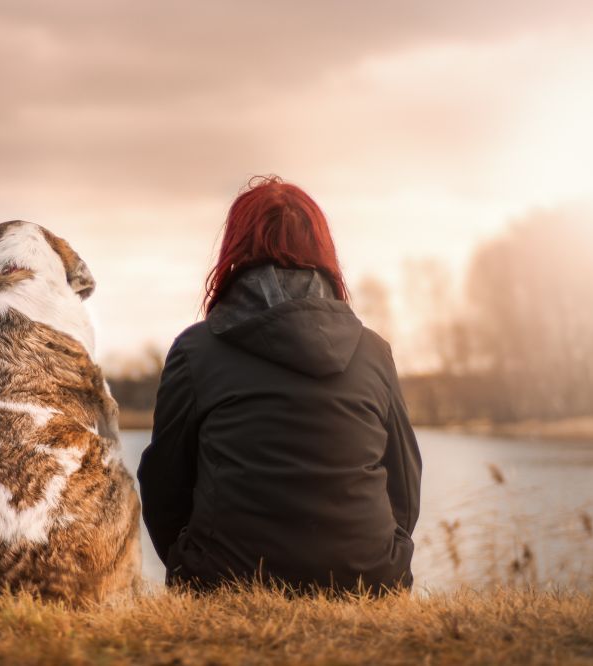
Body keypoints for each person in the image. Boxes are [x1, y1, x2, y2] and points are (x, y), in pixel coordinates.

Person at [137, 176, 421, 593]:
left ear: (235, 250)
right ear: (323, 251)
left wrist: (189, 563)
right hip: (368, 580)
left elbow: (164, 484)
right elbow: (405, 482)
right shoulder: (374, 351)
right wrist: (383, 556)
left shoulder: (196, 351)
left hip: (225, 580)